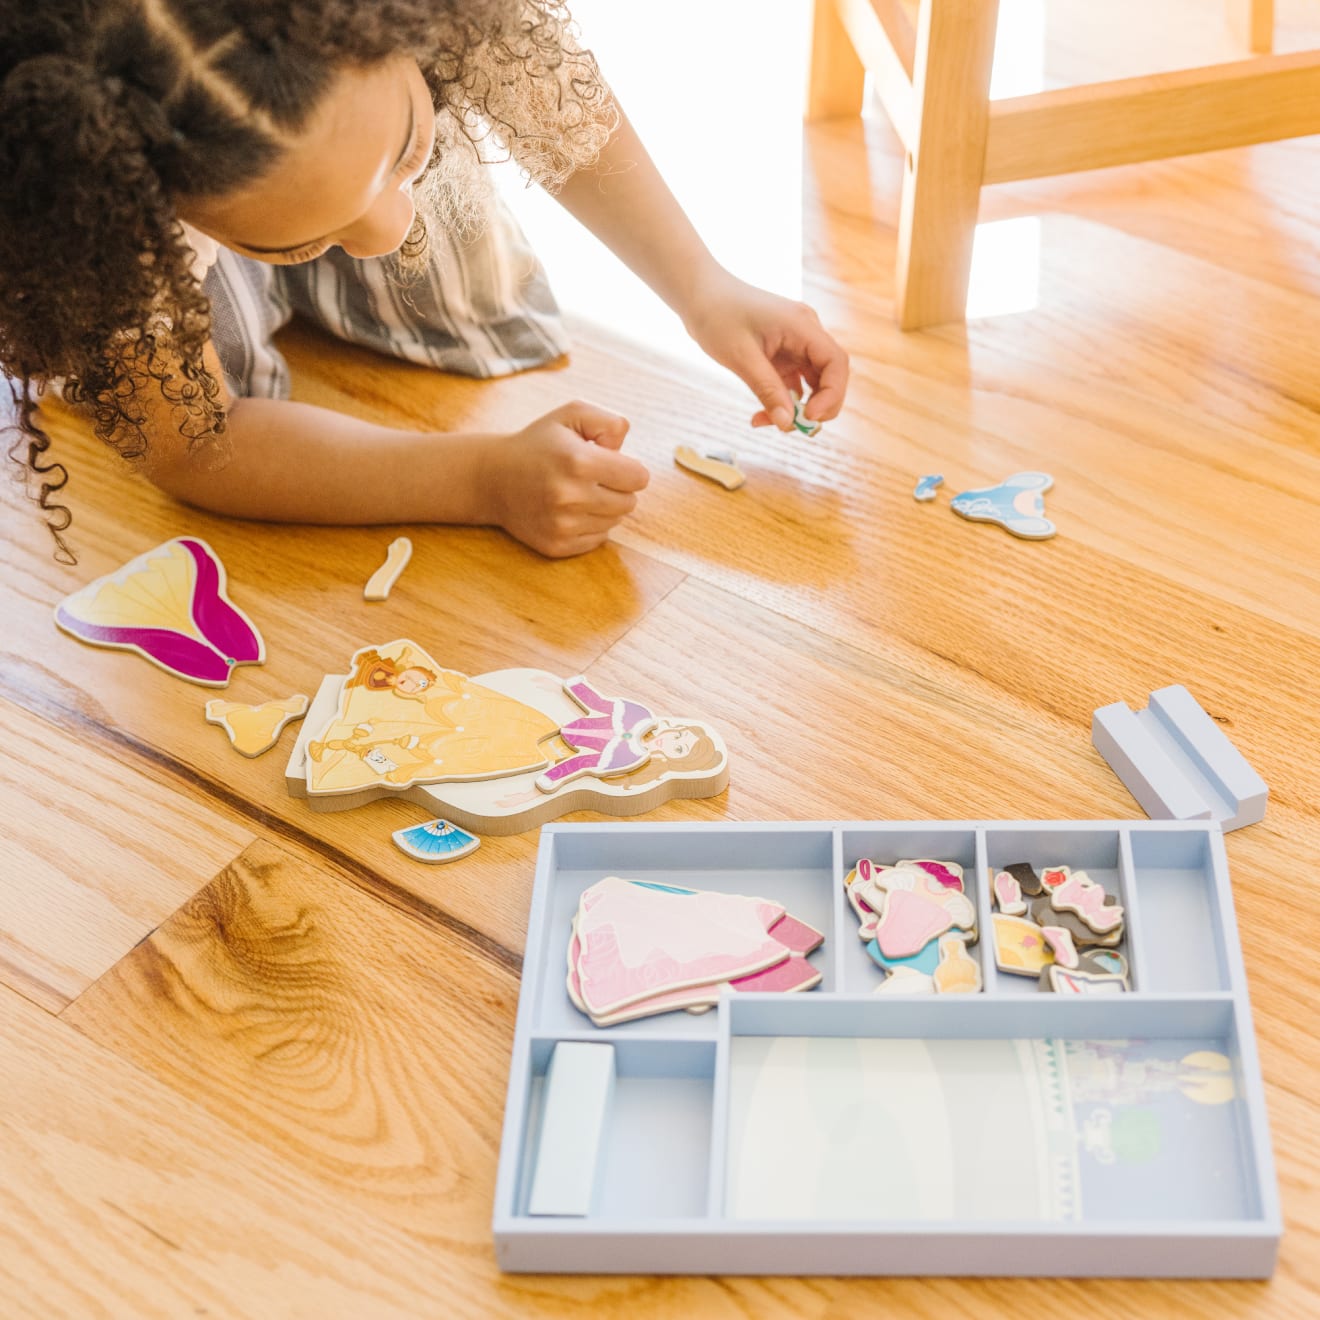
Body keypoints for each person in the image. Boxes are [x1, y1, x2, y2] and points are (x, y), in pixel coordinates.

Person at [0, 1, 849, 563]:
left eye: (405, 148)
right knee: (159, 391)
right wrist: (481, 479)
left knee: (472, 292)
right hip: (125, 227)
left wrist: (702, 285)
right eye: (303, 241)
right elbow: (196, 445)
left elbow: (545, 91)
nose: (390, 232)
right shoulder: (93, 191)